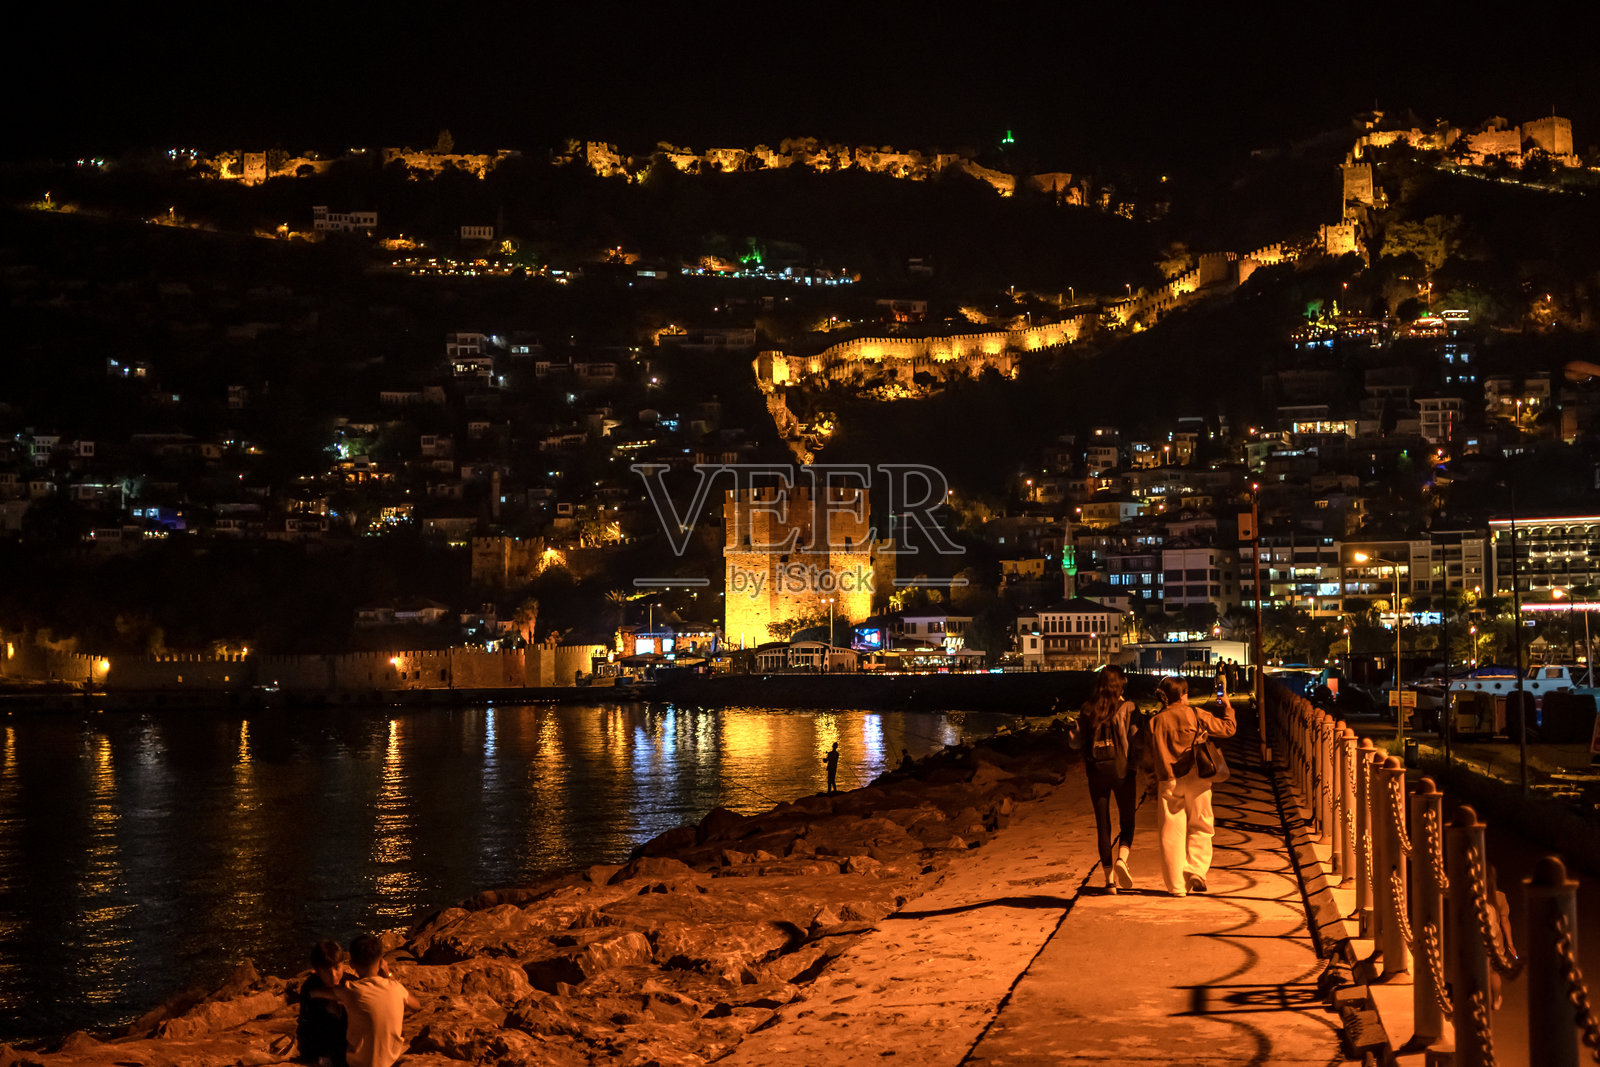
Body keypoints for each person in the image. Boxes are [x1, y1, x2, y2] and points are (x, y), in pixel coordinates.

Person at [1146, 675, 1237, 896]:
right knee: (1202, 825)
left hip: (1169, 780)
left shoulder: (1155, 721)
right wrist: (1227, 706)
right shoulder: (1196, 714)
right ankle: (1196, 870)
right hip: (1197, 777)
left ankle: (1176, 887)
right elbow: (1228, 729)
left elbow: (1148, 755)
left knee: (1170, 832)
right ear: (1183, 695)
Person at [1067, 665, 1141, 893]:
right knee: (1127, 821)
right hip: (1122, 771)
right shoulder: (1129, 708)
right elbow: (1137, 740)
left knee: (1103, 825)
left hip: (1096, 771)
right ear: (1120, 684)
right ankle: (1122, 859)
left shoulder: (1088, 709)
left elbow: (1077, 742)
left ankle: (1109, 881)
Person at [325, 933, 419, 1067]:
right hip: (390, 1060)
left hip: (357, 1063)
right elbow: (416, 1006)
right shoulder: (395, 987)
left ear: (351, 964)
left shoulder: (349, 989)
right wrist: (388, 975)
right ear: (381, 962)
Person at [297, 940, 351, 1066]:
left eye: (337, 968)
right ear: (317, 970)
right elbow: (309, 1030)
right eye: (326, 970)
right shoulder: (310, 986)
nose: (333, 976)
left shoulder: (350, 983)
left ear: (343, 964)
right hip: (318, 1048)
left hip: (346, 1045)